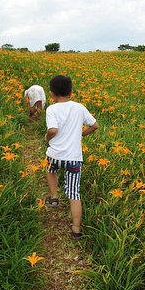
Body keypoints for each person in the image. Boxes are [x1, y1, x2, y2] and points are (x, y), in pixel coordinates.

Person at [44, 75, 99, 240]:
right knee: (74, 193)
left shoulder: (52, 109)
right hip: (74, 158)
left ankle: (53, 198)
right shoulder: (79, 107)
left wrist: (47, 138)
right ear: (71, 92)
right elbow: (95, 125)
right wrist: (81, 134)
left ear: (52, 94)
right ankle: (76, 230)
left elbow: (52, 130)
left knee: (50, 168)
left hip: (55, 155)